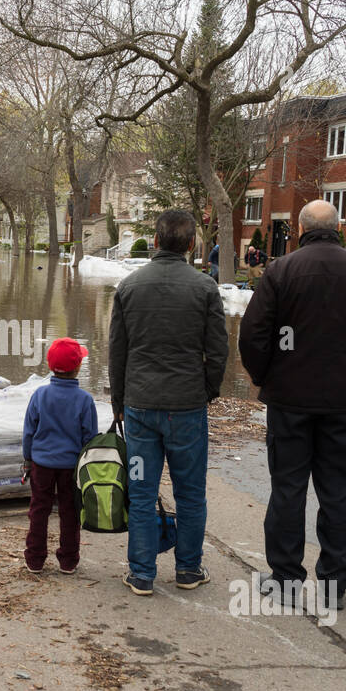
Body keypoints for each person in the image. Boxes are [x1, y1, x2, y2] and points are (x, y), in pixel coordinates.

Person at [239, 199, 346, 609]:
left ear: (300, 229)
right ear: (338, 228)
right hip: (344, 403)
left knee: (288, 488)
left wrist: (264, 376)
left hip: (290, 400)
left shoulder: (281, 271)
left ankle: (286, 577)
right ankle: (333, 584)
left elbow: (254, 333)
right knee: (336, 492)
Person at [109, 210, 228, 596]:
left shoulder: (128, 286)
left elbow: (118, 352)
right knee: (190, 492)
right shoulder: (205, 287)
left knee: (142, 491)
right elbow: (218, 348)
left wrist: (119, 402)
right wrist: (208, 388)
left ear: (155, 241)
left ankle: (142, 573)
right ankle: (188, 570)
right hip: (187, 407)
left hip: (141, 408)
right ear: (192, 244)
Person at [22, 338, 99, 574]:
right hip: (71, 467)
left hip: (41, 464)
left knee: (39, 510)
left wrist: (27, 460)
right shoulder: (85, 400)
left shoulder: (40, 395)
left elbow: (29, 432)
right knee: (70, 512)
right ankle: (68, 561)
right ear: (77, 368)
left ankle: (35, 559)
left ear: (50, 365)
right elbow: (90, 437)